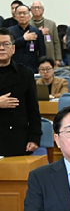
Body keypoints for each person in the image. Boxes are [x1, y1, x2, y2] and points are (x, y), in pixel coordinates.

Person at [0, 27, 41, 157]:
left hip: (17, 138)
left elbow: (33, 109)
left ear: (13, 49)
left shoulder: (25, 74)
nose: (1, 48)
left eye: (5, 44)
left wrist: (34, 137)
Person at [8, 5, 45, 73]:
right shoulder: (9, 31)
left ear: (29, 16)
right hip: (14, 68)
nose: (22, 16)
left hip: (32, 68)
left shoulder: (37, 32)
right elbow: (9, 47)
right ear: (15, 16)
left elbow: (42, 52)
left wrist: (41, 67)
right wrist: (23, 39)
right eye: (19, 13)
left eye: (24, 13)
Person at [30, 0, 62, 67]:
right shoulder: (27, 24)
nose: (36, 9)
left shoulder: (51, 24)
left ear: (43, 10)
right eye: (34, 7)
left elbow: (56, 42)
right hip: (32, 56)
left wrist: (58, 58)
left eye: (39, 7)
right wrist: (39, 32)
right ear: (31, 10)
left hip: (49, 55)